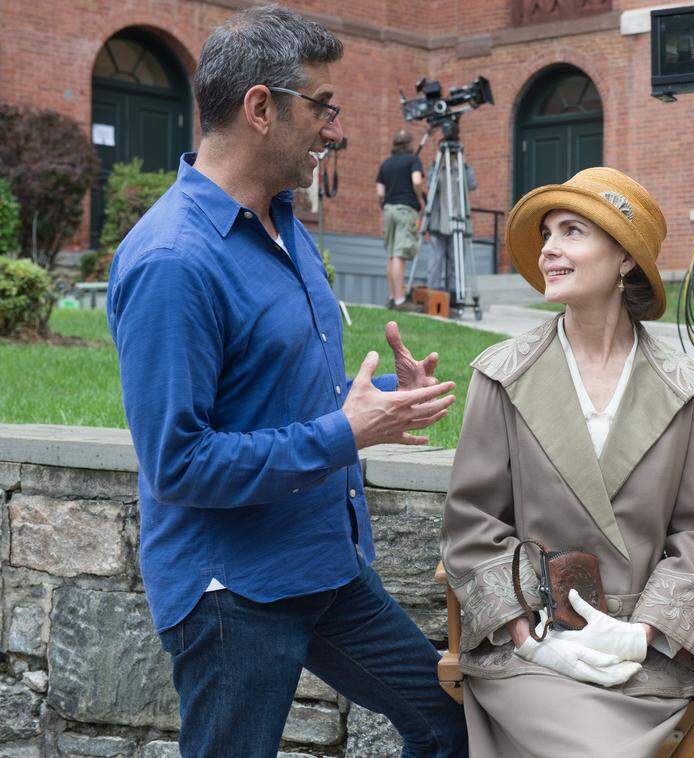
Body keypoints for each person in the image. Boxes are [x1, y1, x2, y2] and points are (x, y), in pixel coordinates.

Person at [105, 7, 467, 757]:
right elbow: (177, 463)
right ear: (261, 108)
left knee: (447, 718)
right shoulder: (174, 260)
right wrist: (345, 432)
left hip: (322, 565)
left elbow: (272, 396)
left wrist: (372, 409)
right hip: (231, 591)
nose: (334, 129)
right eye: (322, 105)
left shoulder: (282, 220)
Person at [441, 167, 694, 757]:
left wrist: (642, 634)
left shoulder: (684, 388)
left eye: (572, 231)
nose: (549, 248)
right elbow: (472, 522)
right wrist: (530, 638)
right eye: (548, 233)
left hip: (645, 660)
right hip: (530, 651)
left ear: (626, 259)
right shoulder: (502, 374)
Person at [377, 129, 426, 310]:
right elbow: (417, 181)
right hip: (406, 210)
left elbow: (380, 192)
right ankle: (400, 300)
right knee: (399, 254)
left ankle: (392, 297)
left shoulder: (386, 164)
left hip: (388, 209)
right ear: (409, 144)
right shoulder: (414, 161)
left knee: (391, 254)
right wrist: (420, 198)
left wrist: (384, 206)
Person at [425, 159, 477, 303]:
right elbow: (430, 186)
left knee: (457, 260)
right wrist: (437, 166)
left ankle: (455, 297)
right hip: (438, 221)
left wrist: (465, 166)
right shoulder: (436, 166)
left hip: (458, 222)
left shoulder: (462, 167)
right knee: (436, 260)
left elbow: (472, 184)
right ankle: (433, 294)